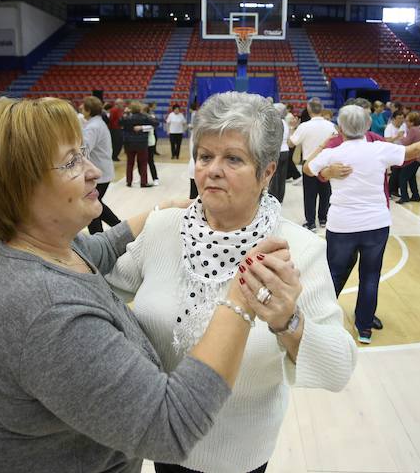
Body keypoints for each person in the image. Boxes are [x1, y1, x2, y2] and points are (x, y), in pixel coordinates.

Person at [0, 96, 272, 473]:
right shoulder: (48, 314)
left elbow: (94, 250)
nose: (92, 170)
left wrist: (158, 213)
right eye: (70, 162)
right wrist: (242, 292)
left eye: (82, 153)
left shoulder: (37, 247)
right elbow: (169, 428)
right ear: (17, 188)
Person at [106, 92, 356, 473]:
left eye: (233, 158)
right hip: (163, 442)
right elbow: (104, 282)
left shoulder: (298, 250)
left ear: (268, 172)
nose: (212, 170)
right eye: (205, 156)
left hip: (241, 455)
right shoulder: (164, 228)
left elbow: (339, 368)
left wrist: (288, 323)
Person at [306, 104, 420, 343]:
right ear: (367, 126)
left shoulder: (332, 153)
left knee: (333, 273)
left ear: (339, 127)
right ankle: (364, 327)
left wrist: (325, 156)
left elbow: (307, 168)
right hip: (376, 224)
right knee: (370, 275)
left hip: (342, 225)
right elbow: (409, 152)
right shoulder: (379, 149)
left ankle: (320, 320)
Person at [289, 98, 337, 230]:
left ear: (308, 110)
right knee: (325, 192)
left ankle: (310, 222)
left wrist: (292, 128)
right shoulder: (331, 126)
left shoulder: (304, 126)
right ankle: (323, 219)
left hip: (309, 163)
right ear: (321, 109)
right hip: (326, 163)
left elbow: (291, 143)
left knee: (310, 193)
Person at [81, 96, 121, 234]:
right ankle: (118, 228)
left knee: (92, 205)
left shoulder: (93, 127)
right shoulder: (97, 123)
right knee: (95, 204)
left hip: (99, 173)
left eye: (83, 106)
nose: (80, 108)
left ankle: (101, 235)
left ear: (88, 110)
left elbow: (84, 150)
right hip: (103, 170)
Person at [120, 101, 156, 188]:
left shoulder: (127, 118)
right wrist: (143, 127)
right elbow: (155, 123)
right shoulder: (144, 117)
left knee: (130, 163)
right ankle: (143, 182)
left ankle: (129, 181)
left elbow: (120, 123)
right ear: (140, 108)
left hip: (129, 143)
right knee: (143, 163)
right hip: (142, 143)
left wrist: (125, 113)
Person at [397, 112, 420, 204]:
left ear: (412, 122)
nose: (405, 122)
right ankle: (415, 196)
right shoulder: (419, 128)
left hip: (413, 157)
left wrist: (401, 137)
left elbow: (406, 142)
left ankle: (404, 197)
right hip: (419, 157)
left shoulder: (413, 130)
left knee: (403, 177)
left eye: (407, 121)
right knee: (411, 177)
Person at [268, 102, 290, 203]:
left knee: (275, 176)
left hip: (278, 151)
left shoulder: (276, 123)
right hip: (285, 150)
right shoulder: (285, 122)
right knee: (282, 176)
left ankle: (274, 197)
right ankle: (280, 197)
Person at [384, 112, 406, 198]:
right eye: (399, 118)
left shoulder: (403, 126)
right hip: (392, 152)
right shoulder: (389, 128)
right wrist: (397, 136)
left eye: (402, 118)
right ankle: (389, 191)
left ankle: (395, 190)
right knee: (395, 172)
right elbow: (387, 140)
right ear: (393, 119)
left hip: (402, 150)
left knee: (399, 172)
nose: (401, 120)